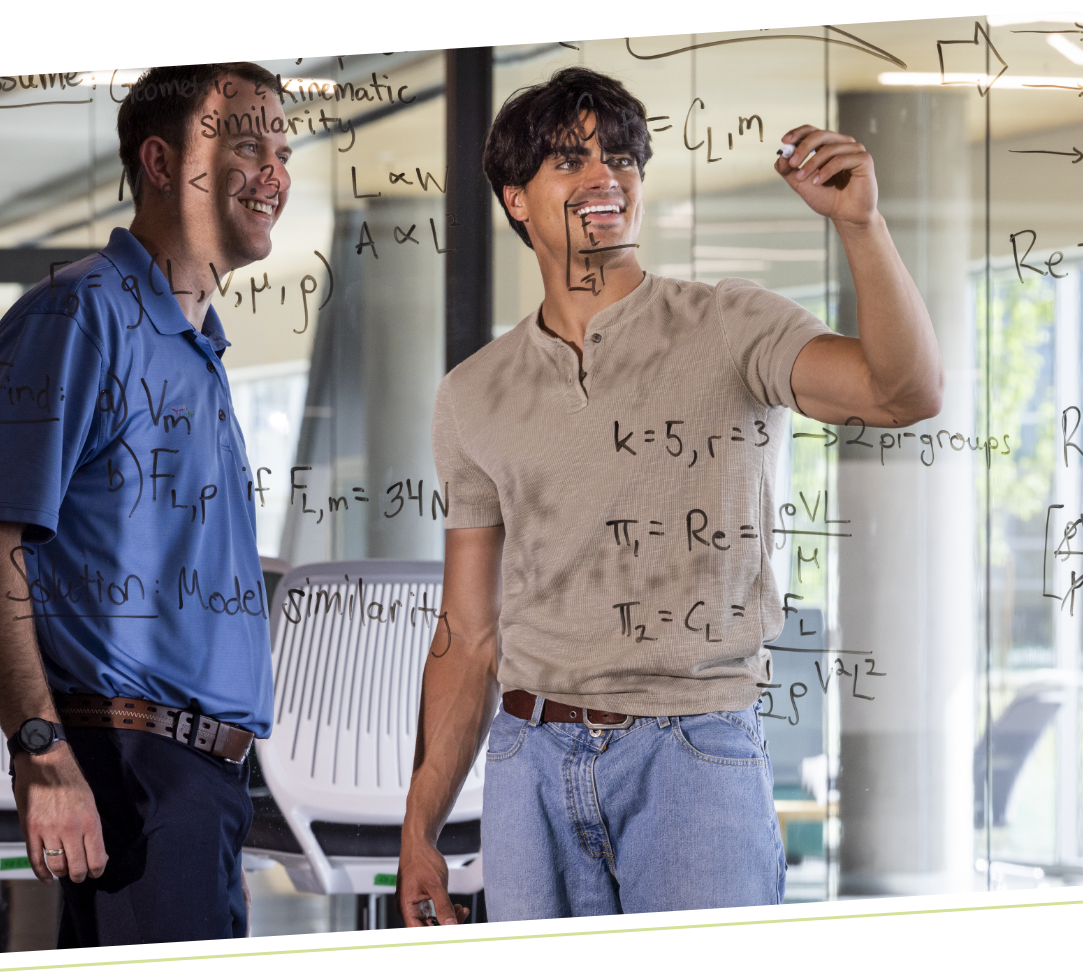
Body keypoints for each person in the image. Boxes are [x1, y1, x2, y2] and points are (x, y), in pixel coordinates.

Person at [397, 66, 943, 924]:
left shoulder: (731, 323)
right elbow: (467, 633)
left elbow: (901, 393)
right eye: (569, 162)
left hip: (693, 749)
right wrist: (419, 826)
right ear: (515, 198)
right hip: (527, 761)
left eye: (621, 158)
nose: (604, 176)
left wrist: (862, 227)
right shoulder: (471, 392)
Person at [0, 62, 293, 946]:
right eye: (247, 145)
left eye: (284, 150)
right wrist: (41, 752)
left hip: (199, 779)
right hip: (128, 765)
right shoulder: (77, 317)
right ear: (162, 161)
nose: (276, 173)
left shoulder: (199, 348)